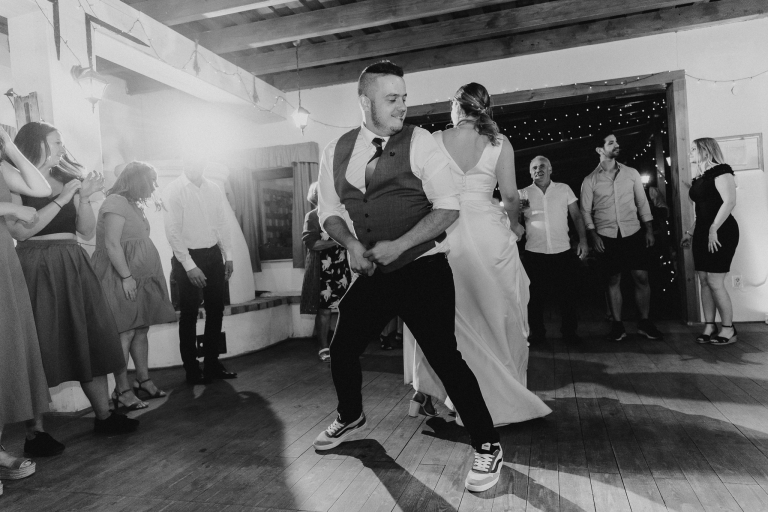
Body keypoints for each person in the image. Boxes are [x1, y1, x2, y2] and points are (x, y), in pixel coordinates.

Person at [313, 62, 503, 493]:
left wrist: (399, 246)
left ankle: (488, 445)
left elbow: (448, 206)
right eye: (392, 99)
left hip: (423, 268)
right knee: (342, 348)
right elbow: (329, 211)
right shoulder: (335, 150)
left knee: (445, 358)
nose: (402, 106)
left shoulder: (420, 142)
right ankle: (350, 415)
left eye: (404, 97)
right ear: (365, 102)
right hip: (375, 271)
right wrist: (352, 245)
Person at [403, 83, 552, 427]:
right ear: (485, 108)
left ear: (456, 107)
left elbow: (421, 191)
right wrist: (513, 226)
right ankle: (498, 394)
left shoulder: (435, 140)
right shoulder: (499, 142)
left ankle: (432, 394)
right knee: (495, 314)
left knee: (446, 316)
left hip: (446, 232)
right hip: (487, 234)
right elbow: (511, 197)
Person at [9, 122, 139, 439]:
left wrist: (83, 197)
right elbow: (21, 232)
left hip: (72, 261)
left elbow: (85, 230)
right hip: (36, 265)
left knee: (90, 337)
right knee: (39, 344)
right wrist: (63, 198)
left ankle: (104, 416)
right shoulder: (16, 180)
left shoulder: (68, 177)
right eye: (56, 143)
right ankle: (35, 433)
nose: (62, 149)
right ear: (36, 144)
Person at [91, 162, 177, 399]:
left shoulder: (132, 204)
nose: (154, 186)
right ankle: (122, 389)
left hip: (141, 277)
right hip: (120, 275)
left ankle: (143, 380)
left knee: (140, 329)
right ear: (139, 180)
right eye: (152, 180)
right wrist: (127, 277)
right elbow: (111, 244)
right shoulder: (115, 202)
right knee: (125, 332)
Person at [0, 126, 52, 490]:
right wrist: (10, 207)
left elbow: (41, 188)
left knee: (5, 355)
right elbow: (23, 205)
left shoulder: (1, 167)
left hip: (3, 262)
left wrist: (10, 148)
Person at [580, 132, 664, 342]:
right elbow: (585, 211)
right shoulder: (589, 180)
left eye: (616, 141)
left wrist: (649, 229)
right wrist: (593, 235)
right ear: (600, 150)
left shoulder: (631, 173)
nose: (617, 145)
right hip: (605, 235)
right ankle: (617, 325)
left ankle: (644, 322)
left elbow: (642, 202)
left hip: (633, 232)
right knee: (613, 279)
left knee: (641, 277)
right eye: (611, 143)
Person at [164, 154, 236, 384]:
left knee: (216, 310)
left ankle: (212, 364)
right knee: (189, 314)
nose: (193, 165)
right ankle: (192, 370)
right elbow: (172, 231)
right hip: (187, 256)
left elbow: (222, 223)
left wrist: (228, 256)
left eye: (198, 160)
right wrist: (189, 266)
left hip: (214, 255)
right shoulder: (174, 190)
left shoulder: (213, 188)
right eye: (189, 160)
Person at [521, 156, 588, 343]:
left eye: (542, 166)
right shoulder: (524, 194)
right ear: (530, 172)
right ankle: (538, 334)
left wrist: (583, 240)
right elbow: (518, 219)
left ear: (550, 169)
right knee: (535, 298)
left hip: (562, 250)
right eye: (534, 167)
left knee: (567, 296)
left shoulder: (563, 189)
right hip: (534, 252)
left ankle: (569, 333)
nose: (538, 170)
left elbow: (576, 216)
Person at [681, 138, 739, 345]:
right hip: (702, 231)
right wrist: (690, 232)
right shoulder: (701, 177)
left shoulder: (722, 171)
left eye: (693, 149)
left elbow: (729, 202)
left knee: (715, 281)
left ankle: (729, 329)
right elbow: (703, 210)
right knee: (704, 280)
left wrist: (714, 229)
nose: (690, 153)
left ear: (706, 151)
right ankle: (709, 325)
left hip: (721, 230)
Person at [300, 181, 351, 363]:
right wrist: (339, 241)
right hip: (322, 270)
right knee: (324, 311)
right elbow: (312, 243)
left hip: (343, 268)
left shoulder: (341, 215)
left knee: (346, 308)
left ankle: (344, 347)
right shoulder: (312, 216)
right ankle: (324, 348)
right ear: (316, 196)